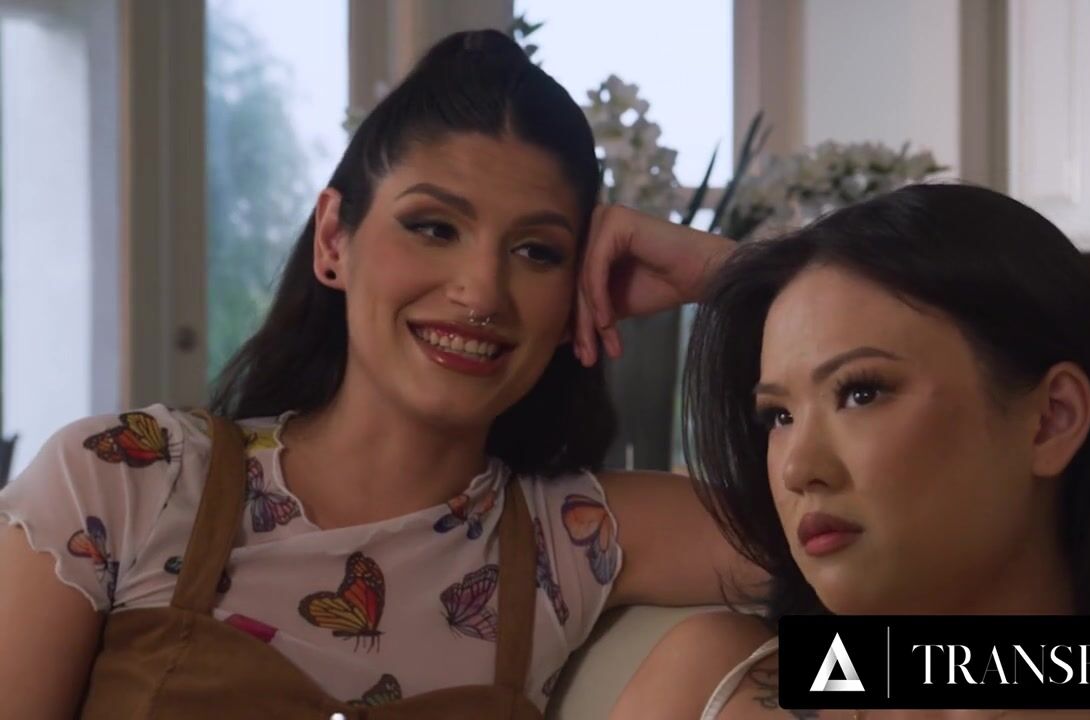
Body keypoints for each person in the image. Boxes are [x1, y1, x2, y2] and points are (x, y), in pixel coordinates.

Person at [0, 30, 749, 718]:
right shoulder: (124, 480)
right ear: (334, 239)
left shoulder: (571, 540)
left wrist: (731, 277)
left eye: (537, 253)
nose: (482, 292)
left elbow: (831, 584)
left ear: (575, 297)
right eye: (434, 228)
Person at [611, 184, 1090, 719]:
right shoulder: (710, 681)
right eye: (778, 415)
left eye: (862, 392)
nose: (796, 468)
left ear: (1051, 420)